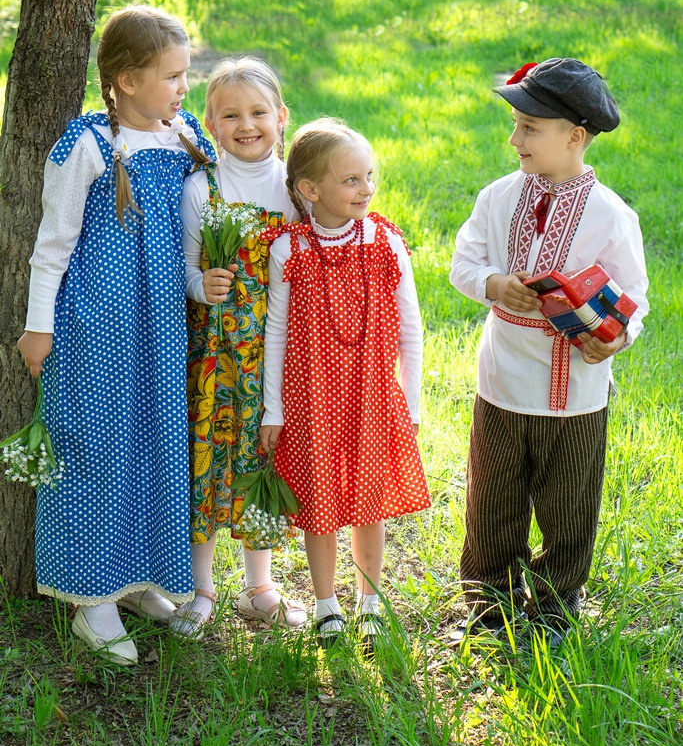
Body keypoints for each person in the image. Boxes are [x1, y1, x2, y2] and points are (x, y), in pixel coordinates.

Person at [17, 5, 215, 666]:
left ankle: (137, 579)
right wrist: (38, 326)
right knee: (95, 450)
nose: (184, 88)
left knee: (154, 445)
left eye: (185, 74)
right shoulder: (89, 144)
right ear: (127, 81)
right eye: (172, 76)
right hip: (95, 325)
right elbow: (52, 245)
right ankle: (91, 602)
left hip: (162, 325)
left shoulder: (183, 137)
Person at [449, 58, 649, 646]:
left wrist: (612, 338)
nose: (515, 139)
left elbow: (633, 297)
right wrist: (492, 283)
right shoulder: (497, 197)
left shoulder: (612, 215)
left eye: (529, 128)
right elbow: (464, 262)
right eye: (515, 125)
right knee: (493, 499)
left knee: (569, 505)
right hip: (503, 381)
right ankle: (490, 602)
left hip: (575, 391)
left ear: (575, 136)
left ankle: (557, 604)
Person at [260, 117, 431, 653]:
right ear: (310, 190)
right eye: (351, 179)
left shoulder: (385, 242)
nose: (366, 188)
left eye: (369, 176)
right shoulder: (289, 250)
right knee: (320, 502)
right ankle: (325, 603)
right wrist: (272, 409)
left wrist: (411, 403)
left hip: (372, 397)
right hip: (310, 400)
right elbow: (275, 332)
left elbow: (410, 328)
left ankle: (370, 600)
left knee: (368, 503)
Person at [171, 57, 307, 639]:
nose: (246, 125)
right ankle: (200, 588)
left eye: (257, 113)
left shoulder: (296, 188)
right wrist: (203, 284)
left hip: (276, 351)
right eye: (230, 116)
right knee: (206, 458)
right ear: (211, 124)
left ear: (281, 117)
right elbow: (186, 268)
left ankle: (259, 587)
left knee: (261, 460)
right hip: (216, 352)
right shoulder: (202, 187)